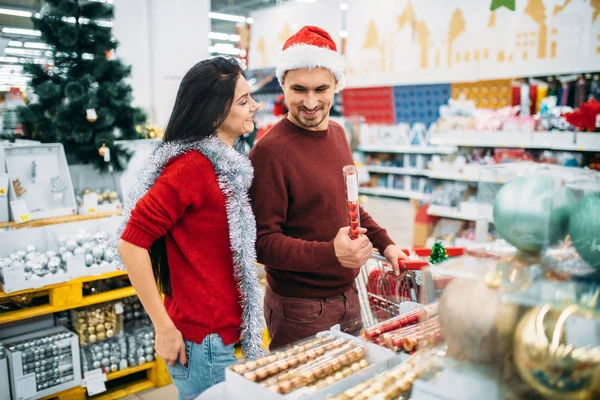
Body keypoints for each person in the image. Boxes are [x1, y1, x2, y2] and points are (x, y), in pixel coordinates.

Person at [249, 26, 409, 350]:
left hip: (351, 296)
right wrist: (331, 253)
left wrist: (385, 243)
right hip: (301, 309)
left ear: (337, 83)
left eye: (321, 88)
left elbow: (348, 202)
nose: (310, 102)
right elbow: (262, 243)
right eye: (299, 89)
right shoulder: (269, 152)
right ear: (282, 85)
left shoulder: (337, 133)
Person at [113, 57, 263, 399]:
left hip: (217, 335)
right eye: (243, 101)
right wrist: (163, 327)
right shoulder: (192, 168)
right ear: (213, 114)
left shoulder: (224, 166)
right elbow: (130, 244)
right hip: (202, 342)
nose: (254, 106)